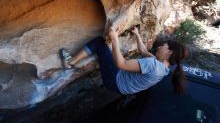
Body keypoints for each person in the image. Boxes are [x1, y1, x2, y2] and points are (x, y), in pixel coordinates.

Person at [59, 27, 188, 95]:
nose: (159, 46)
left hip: (115, 80)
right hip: (122, 88)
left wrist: (115, 39)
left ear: (169, 52)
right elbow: (143, 51)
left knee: (99, 42)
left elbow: (120, 64)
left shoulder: (153, 65)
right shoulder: (163, 69)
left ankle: (70, 62)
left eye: (163, 46)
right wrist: (137, 35)